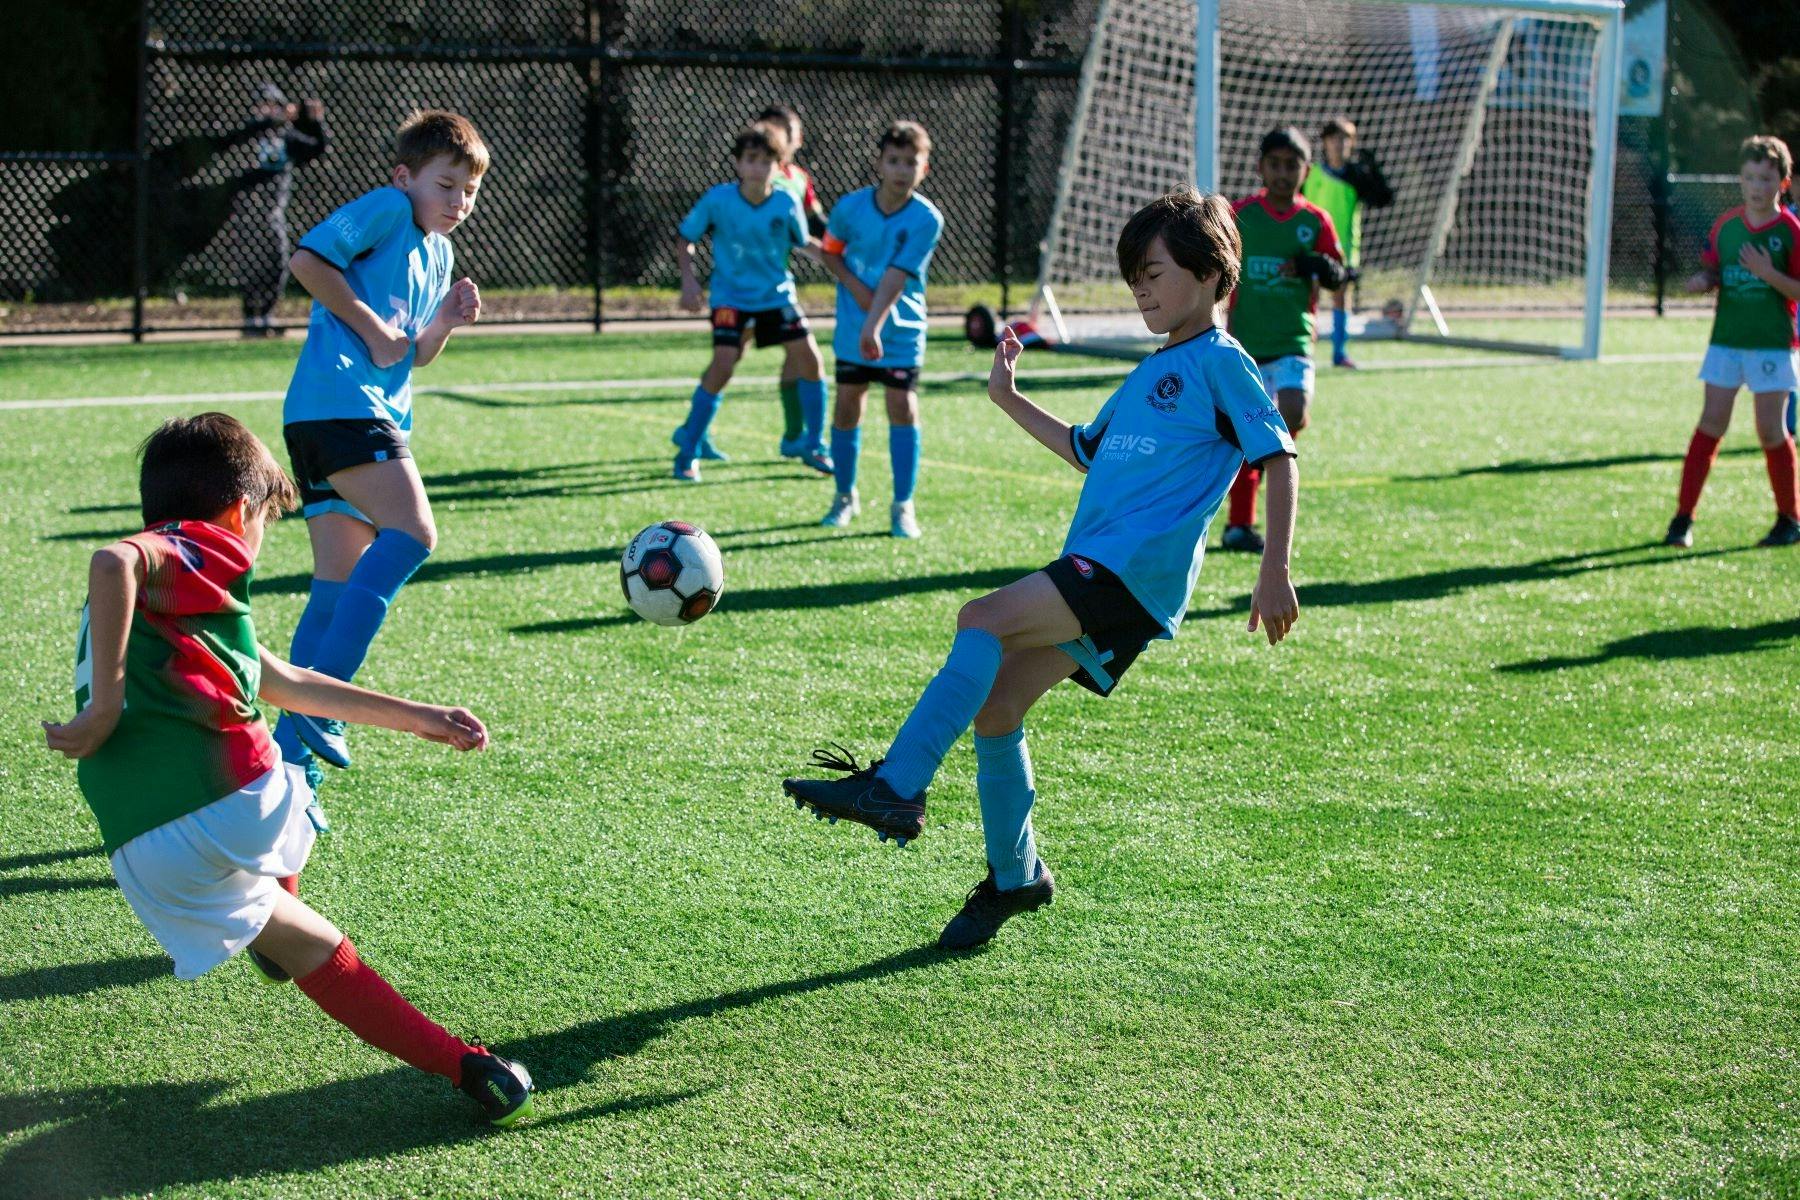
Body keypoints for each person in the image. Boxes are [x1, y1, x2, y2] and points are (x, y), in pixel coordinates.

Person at [780, 186, 1300, 949]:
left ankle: (896, 786)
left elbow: (1279, 456)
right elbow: (1084, 451)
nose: (1141, 289)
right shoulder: (1154, 368)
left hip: (1130, 573)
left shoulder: (1222, 362)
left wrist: (1273, 569)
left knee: (980, 618)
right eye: (1135, 277)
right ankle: (1016, 878)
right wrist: (1007, 397)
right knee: (996, 709)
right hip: (1111, 575)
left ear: (1213, 273)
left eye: (1154, 272)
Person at [42, 413, 534, 1126]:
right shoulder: (193, 542)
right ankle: (284, 874)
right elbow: (114, 559)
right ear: (240, 510)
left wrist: (420, 715)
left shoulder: (175, 611)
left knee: (317, 948)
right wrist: (105, 709)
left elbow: (286, 680)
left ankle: (470, 1069)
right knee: (292, 778)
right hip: (229, 794)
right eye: (266, 521)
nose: (260, 538)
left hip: (139, 846)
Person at [271, 110, 488, 823]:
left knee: (333, 590)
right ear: (406, 177)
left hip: (338, 415)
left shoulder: (440, 255)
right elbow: (307, 259)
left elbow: (412, 350)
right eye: (445, 184)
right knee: (416, 536)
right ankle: (320, 702)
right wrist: (366, 322)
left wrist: (447, 321)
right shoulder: (389, 209)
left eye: (469, 191)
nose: (458, 201)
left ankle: (289, 780)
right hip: (342, 406)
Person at [670, 123, 831, 481]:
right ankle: (687, 452)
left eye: (766, 161)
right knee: (723, 366)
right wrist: (689, 281)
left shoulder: (786, 201)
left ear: (779, 164)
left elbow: (802, 243)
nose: (758, 168)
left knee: (811, 361)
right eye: (751, 160)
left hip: (776, 296)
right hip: (732, 298)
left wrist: (843, 266)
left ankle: (814, 444)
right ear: (738, 164)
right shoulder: (719, 200)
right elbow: (685, 239)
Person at [1665, 134, 1800, 549]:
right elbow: (1713, 269)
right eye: (1749, 178)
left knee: (1770, 430)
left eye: (1765, 178)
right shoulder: (1726, 226)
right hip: (1726, 342)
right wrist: (1702, 281)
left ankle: (1789, 520)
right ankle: (1682, 520)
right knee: (1711, 423)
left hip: (1772, 344)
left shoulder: (1792, 231)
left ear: (1783, 182)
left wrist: (1765, 271)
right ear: (1739, 181)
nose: (1757, 186)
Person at [815, 120, 945, 538]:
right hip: (855, 327)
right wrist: (855, 291)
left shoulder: (927, 218)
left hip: (900, 330)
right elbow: (830, 253)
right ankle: (844, 497)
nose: (902, 170)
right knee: (848, 405)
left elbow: (895, 278)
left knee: (902, 407)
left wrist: (874, 322)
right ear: (879, 163)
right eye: (894, 161)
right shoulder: (850, 208)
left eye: (911, 162)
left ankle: (902, 505)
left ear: (924, 168)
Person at [1221, 125, 1346, 553]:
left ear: (1305, 170)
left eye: (1291, 165)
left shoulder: (1314, 221)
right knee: (1252, 435)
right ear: (1260, 167)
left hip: (1294, 339)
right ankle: (1239, 525)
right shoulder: (1241, 216)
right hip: (1245, 346)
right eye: (1274, 164)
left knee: (1290, 413)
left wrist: (1317, 265)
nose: (1282, 172)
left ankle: (1254, 494)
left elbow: (1338, 273)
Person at [758, 104, 834, 460]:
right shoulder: (759, 175)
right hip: (745, 289)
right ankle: (692, 440)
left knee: (800, 357)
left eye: (783, 131)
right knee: (722, 367)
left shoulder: (799, 178)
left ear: (796, 138)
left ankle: (797, 437)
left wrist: (839, 248)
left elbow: (817, 222)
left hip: (777, 285)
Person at [1299, 116, 1393, 369]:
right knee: (1309, 298)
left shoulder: (1356, 175)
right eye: (1335, 139)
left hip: (1344, 248)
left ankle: (1340, 353)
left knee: (1341, 298)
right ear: (1326, 142)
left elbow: (1384, 199)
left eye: (1345, 139)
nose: (1339, 144)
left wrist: (1374, 170)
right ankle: (1304, 350)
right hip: (1312, 245)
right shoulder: (1312, 173)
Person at [237, 84, 331, 337]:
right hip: (247, 209)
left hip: (273, 212)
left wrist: (314, 121)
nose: (271, 110)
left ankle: (265, 316)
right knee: (251, 264)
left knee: (277, 264)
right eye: (265, 105)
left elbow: (318, 147)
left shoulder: (286, 137)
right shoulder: (249, 135)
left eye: (275, 105)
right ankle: (251, 318)